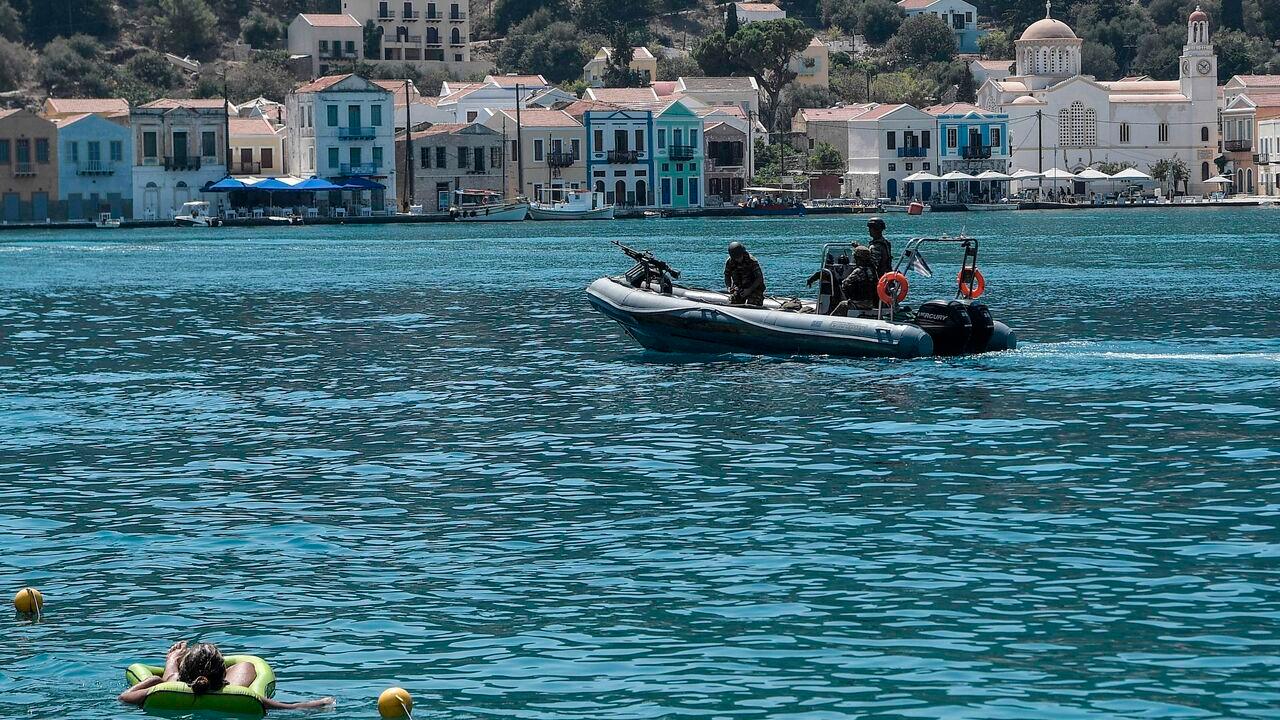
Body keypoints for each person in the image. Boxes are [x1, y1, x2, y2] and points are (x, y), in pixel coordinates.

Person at [119, 641, 334, 711]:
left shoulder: (164, 687)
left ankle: (172, 660)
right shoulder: (241, 695)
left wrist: (154, 681)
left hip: (173, 689)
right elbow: (290, 708)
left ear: (185, 674)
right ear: (224, 674)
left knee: (169, 678)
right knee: (247, 666)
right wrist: (322, 703)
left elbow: (123, 699)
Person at [833, 245, 878, 316]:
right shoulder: (873, 271)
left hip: (859, 303)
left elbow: (845, 285)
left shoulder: (858, 271)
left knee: (842, 305)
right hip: (871, 303)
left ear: (858, 259)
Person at [724, 241, 765, 306]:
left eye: (739, 257)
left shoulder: (752, 261)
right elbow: (727, 275)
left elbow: (759, 278)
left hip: (754, 289)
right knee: (732, 303)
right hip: (740, 289)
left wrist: (749, 290)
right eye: (736, 258)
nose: (738, 259)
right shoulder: (730, 262)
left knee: (752, 304)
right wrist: (729, 287)